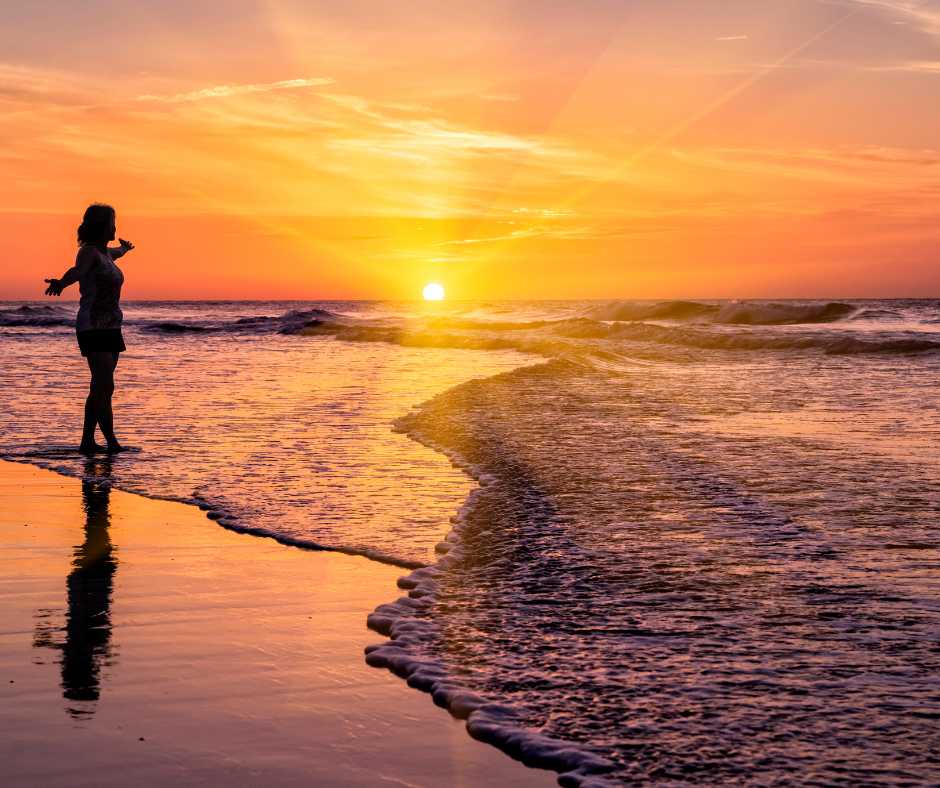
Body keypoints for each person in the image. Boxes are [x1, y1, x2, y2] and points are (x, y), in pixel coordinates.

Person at [44, 204, 134, 453]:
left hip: (112, 327)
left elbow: (118, 251)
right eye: (113, 221)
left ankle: (87, 442)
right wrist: (62, 282)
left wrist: (125, 249)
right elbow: (78, 270)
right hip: (94, 327)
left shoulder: (107, 254)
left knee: (98, 386)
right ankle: (113, 445)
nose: (116, 226)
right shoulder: (90, 253)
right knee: (106, 387)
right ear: (104, 225)